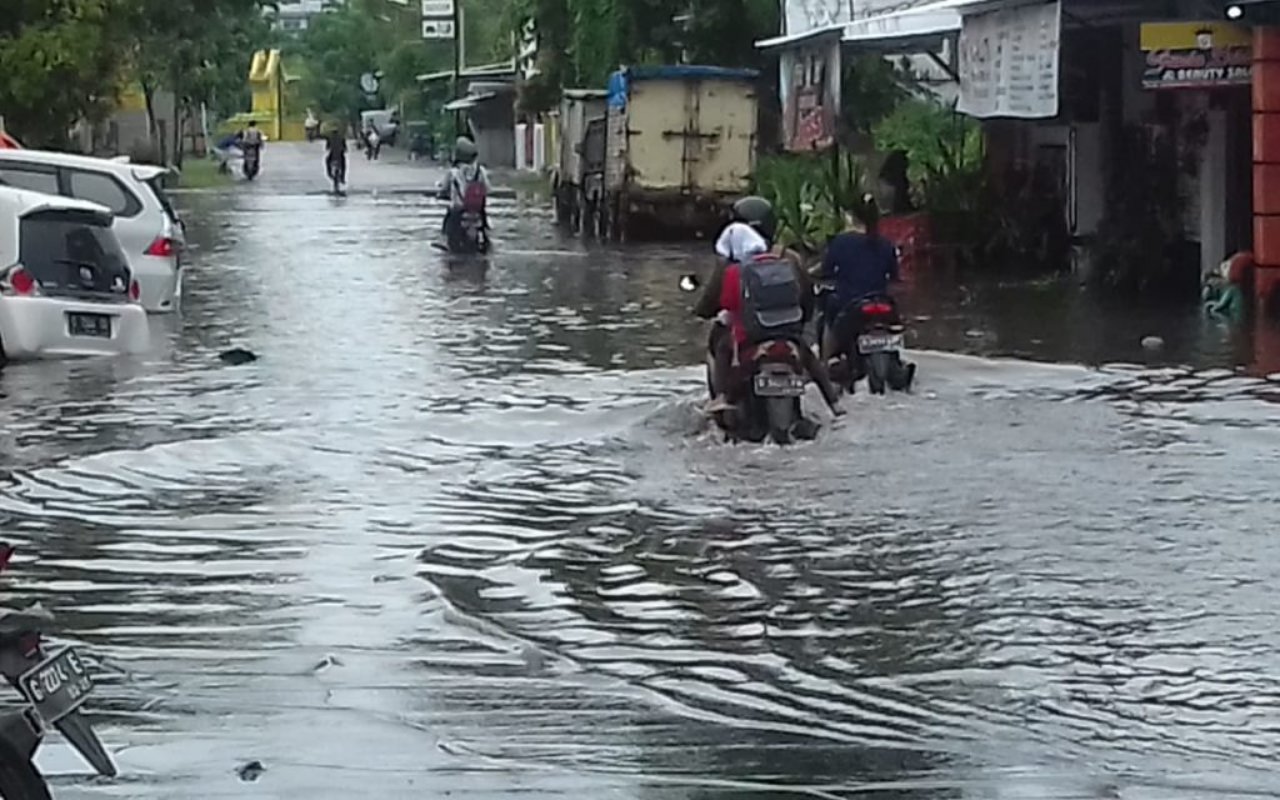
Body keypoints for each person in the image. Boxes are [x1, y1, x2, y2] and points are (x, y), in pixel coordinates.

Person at [694, 196, 842, 415]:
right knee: (809, 358)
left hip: (750, 337)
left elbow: (717, 302)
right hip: (788, 334)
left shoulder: (732, 267)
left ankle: (722, 398)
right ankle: (834, 404)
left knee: (720, 341)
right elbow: (807, 302)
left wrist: (703, 311)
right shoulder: (791, 258)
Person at [816, 195, 901, 361]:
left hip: (849, 305)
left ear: (852, 216)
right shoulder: (886, 244)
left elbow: (826, 271)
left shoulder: (840, 242)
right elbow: (894, 277)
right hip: (881, 302)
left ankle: (827, 362)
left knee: (828, 311)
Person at [442, 136, 491, 246]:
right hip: (477, 209)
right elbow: (487, 188)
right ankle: (486, 239)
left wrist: (442, 193)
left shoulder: (453, 172)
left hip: (458, 210)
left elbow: (444, 188)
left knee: (448, 227)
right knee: (484, 227)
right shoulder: (480, 170)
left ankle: (447, 241)